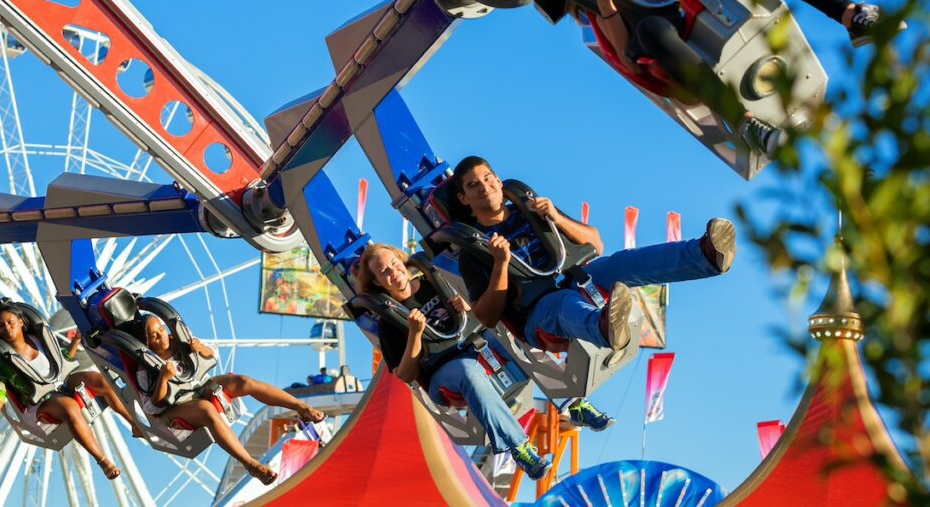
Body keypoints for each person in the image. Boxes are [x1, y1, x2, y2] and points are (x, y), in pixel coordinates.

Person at [566, 0, 897, 156]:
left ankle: (850, 15)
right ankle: (744, 123)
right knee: (650, 28)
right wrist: (604, 2)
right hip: (677, 42)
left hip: (714, 4)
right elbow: (629, 60)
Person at [452, 156, 735, 355]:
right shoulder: (473, 250)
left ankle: (705, 255)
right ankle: (604, 327)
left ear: (499, 182)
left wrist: (555, 218)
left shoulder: (530, 207)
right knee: (564, 302)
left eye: (487, 178)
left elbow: (595, 244)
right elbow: (486, 317)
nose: (483, 186)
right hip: (537, 309)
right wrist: (501, 263)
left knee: (620, 262)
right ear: (464, 199)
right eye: (473, 185)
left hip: (575, 275)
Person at [356, 243, 553, 479]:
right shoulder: (389, 321)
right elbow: (404, 374)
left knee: (517, 335)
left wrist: (466, 309)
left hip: (473, 343)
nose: (393, 272)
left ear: (403, 261)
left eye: (394, 264)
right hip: (444, 368)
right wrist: (415, 334)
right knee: (468, 371)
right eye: (384, 272)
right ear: (378, 282)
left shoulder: (434, 284)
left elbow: (474, 318)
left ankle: (570, 401)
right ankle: (519, 448)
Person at [135, 315, 326, 485]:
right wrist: (163, 377)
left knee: (243, 381)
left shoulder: (178, 340)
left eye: (161, 329)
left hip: (199, 385)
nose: (161, 336)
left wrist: (200, 348)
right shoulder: (145, 367)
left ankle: (300, 407)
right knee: (206, 409)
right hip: (176, 406)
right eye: (155, 336)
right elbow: (152, 407)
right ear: (147, 343)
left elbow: (212, 355)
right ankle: (250, 464)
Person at [0, 305, 140, 480]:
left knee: (99, 380)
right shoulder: (0, 363)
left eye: (10, 322)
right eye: (1, 326)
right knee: (70, 407)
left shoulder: (39, 340)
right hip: (39, 400)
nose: (7, 327)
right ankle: (103, 461)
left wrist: (76, 340)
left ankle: (134, 423)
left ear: (21, 322)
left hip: (62, 381)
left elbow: (62, 360)